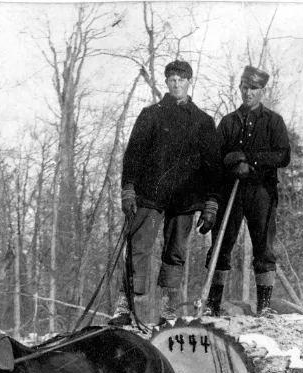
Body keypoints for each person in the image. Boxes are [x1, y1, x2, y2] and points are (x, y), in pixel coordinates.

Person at [111, 60, 221, 327]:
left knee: (175, 253)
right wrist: (128, 189)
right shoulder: (151, 115)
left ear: (189, 82)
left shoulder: (203, 122)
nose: (176, 84)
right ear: (166, 82)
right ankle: (125, 308)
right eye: (171, 79)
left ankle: (168, 311)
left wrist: (211, 203)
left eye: (181, 79)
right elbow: (133, 155)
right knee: (138, 248)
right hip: (150, 195)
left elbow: (213, 168)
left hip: (184, 200)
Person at [200, 65, 291, 317]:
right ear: (239, 88)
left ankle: (264, 305)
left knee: (263, 246)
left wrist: (250, 160)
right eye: (245, 87)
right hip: (231, 192)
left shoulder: (273, 121)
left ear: (262, 90)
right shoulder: (228, 122)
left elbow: (283, 156)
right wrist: (230, 160)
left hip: (261, 191)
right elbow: (214, 160)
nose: (248, 93)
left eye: (254, 88)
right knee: (221, 243)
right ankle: (212, 304)